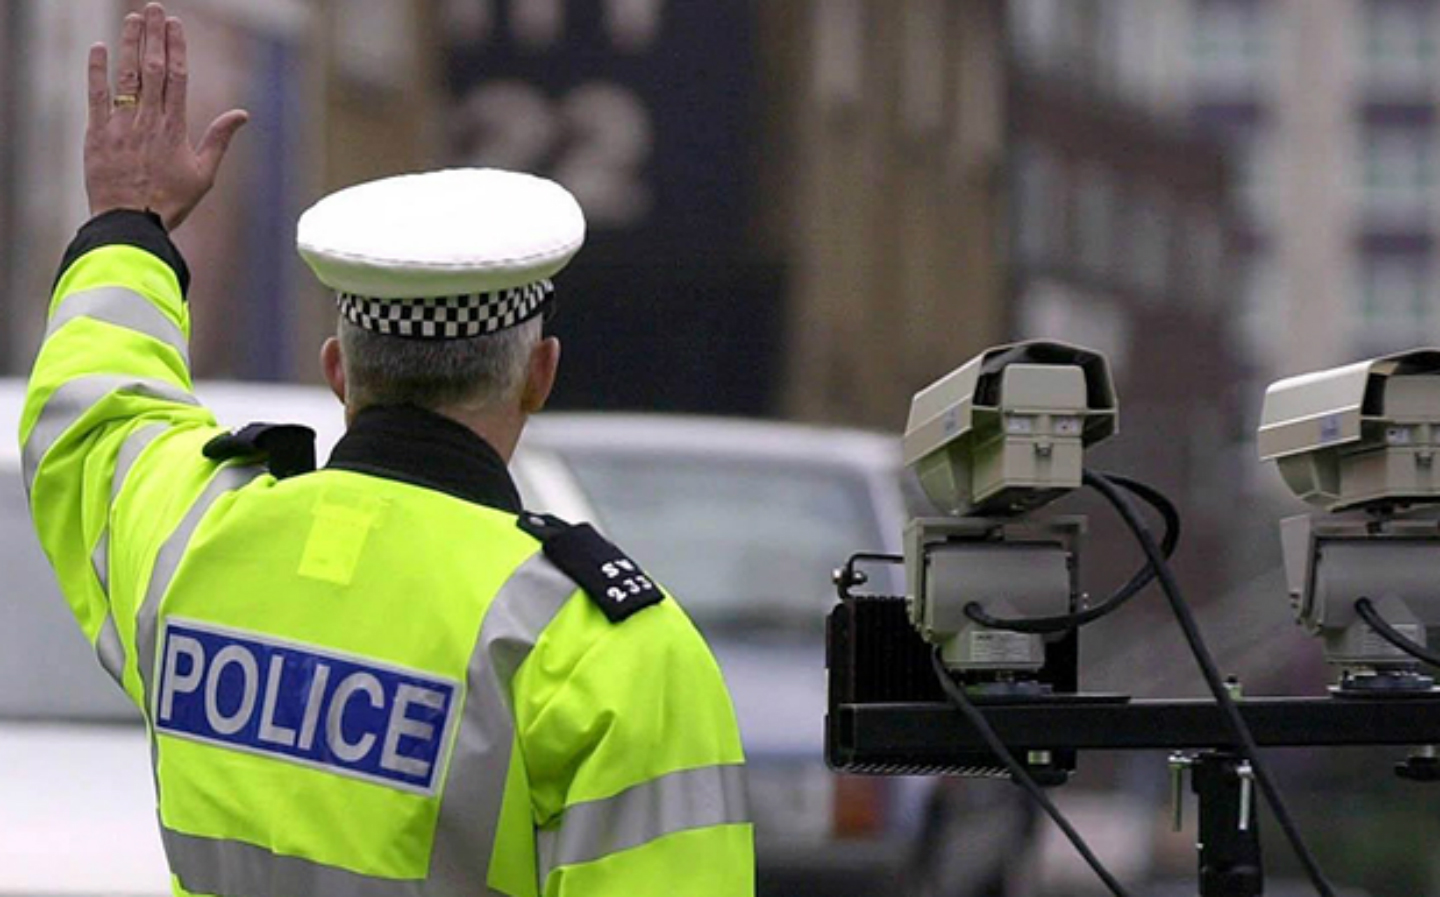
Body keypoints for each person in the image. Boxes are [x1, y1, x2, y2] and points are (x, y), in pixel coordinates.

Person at [20, 4, 752, 895]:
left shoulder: (193, 548)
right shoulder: (606, 653)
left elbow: (94, 417)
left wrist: (129, 227)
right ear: (539, 374)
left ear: (339, 370)